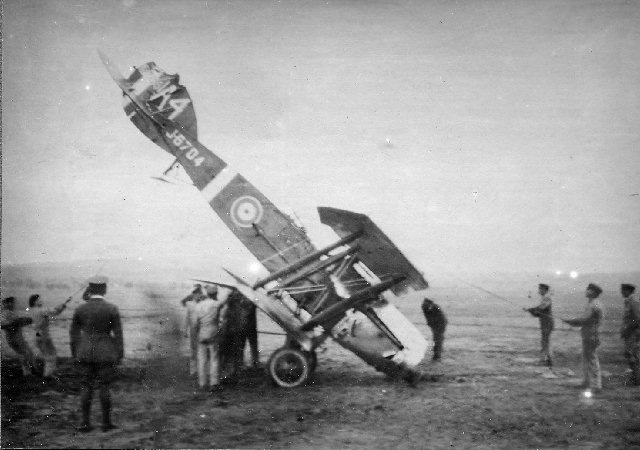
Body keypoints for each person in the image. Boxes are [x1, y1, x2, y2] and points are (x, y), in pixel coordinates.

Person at [70, 276, 124, 432]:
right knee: (104, 387)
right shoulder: (112, 308)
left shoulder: (80, 309)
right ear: (105, 290)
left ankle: (85, 424)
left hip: (84, 352)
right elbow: (118, 334)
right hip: (105, 352)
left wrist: (75, 353)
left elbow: (73, 334)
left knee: (86, 387)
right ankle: (106, 424)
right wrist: (119, 354)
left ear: (90, 290)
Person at [563, 283, 604, 391]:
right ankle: (587, 382)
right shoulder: (590, 303)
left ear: (593, 292)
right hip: (587, 333)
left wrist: (571, 321)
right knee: (586, 359)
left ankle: (596, 385)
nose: (586, 291)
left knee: (592, 359)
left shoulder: (595, 304)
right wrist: (572, 322)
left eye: (588, 289)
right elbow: (585, 320)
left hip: (592, 334)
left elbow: (585, 319)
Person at [219, 290, 260, 383]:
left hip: (241, 328)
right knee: (245, 347)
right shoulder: (246, 302)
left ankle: (244, 366)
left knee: (240, 348)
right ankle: (249, 365)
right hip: (246, 328)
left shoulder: (235, 304)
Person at [194, 285, 229, 391]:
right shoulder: (216, 304)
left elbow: (196, 323)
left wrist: (197, 334)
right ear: (215, 294)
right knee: (214, 358)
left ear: (207, 294)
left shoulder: (198, 305)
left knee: (202, 359)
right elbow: (225, 301)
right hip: (213, 333)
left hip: (202, 333)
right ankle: (214, 383)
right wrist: (231, 291)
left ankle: (202, 383)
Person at [28, 294, 70, 379]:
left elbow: (53, 311)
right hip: (44, 336)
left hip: (36, 335)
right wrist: (63, 305)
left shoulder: (31, 310)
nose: (42, 300)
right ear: (35, 301)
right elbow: (55, 312)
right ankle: (48, 374)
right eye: (39, 299)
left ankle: (48, 372)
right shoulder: (42, 310)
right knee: (51, 355)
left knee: (47, 354)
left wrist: (61, 306)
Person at [1, 297, 35, 376]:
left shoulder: (9, 313)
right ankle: (28, 372)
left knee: (27, 353)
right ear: (4, 304)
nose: (12, 304)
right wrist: (18, 322)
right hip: (15, 337)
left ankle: (30, 370)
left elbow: (14, 323)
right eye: (9, 302)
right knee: (26, 353)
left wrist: (23, 321)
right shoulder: (5, 313)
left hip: (14, 337)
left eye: (12, 302)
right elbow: (3, 325)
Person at [526, 283, 555, 367]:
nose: (539, 291)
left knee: (545, 342)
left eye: (540, 289)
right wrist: (531, 311)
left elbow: (541, 308)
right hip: (544, 323)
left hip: (547, 323)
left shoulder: (547, 297)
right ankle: (547, 360)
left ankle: (547, 360)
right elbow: (539, 313)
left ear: (544, 290)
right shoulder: (544, 297)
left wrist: (532, 309)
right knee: (545, 341)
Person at [620, 283, 640, 386]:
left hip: (633, 333)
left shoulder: (633, 302)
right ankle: (635, 377)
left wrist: (628, 328)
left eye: (623, 290)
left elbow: (637, 318)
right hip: (629, 333)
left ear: (628, 291)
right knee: (630, 354)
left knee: (632, 355)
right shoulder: (628, 302)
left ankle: (636, 379)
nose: (621, 292)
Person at [183, 285, 204, 376]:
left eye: (199, 294)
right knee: (193, 349)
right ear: (194, 294)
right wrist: (185, 330)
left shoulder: (203, 304)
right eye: (196, 294)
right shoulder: (189, 304)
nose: (198, 295)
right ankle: (193, 370)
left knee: (202, 349)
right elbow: (187, 317)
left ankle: (201, 369)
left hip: (201, 329)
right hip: (193, 329)